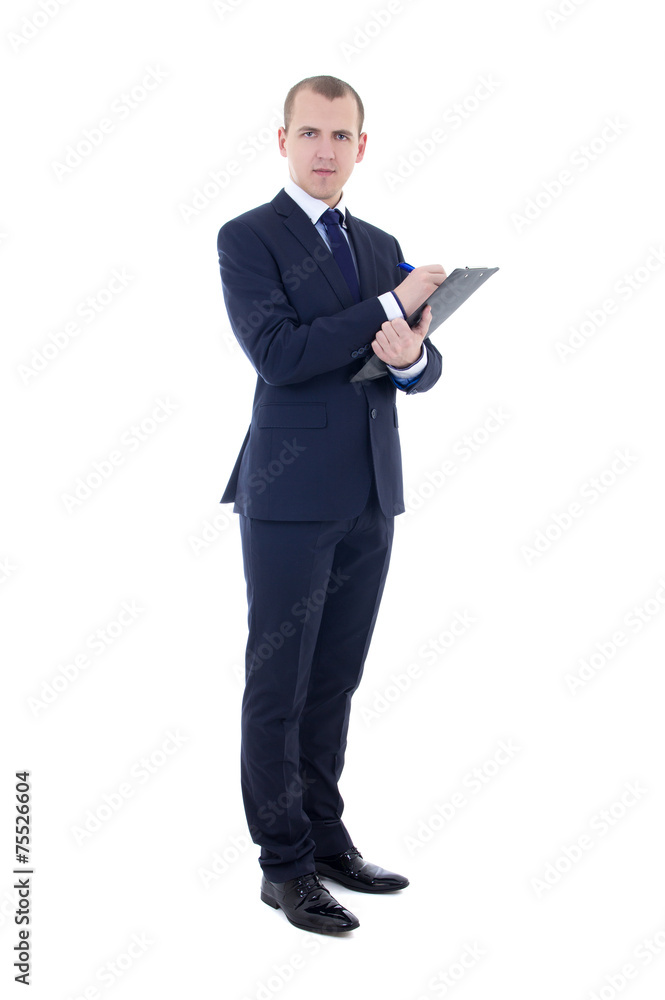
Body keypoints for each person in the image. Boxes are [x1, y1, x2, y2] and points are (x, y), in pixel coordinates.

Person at [217, 75, 446, 935]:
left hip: (369, 491)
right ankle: (283, 868)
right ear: (282, 142)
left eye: (339, 136)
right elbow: (278, 354)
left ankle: (323, 837)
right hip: (285, 493)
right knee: (278, 680)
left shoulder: (381, 240)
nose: (324, 150)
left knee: (334, 681)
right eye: (308, 133)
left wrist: (408, 354)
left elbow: (422, 365)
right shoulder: (247, 238)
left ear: (361, 147)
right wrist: (388, 306)